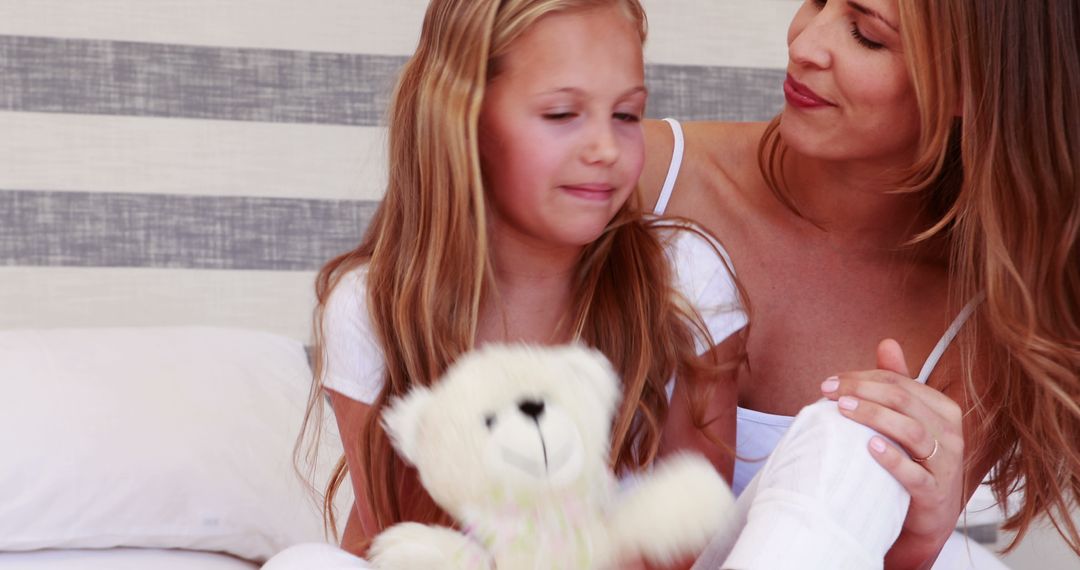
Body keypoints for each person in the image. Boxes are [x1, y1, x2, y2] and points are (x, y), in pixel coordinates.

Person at [289, 0, 747, 567]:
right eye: (562, 114)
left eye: (627, 115)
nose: (606, 149)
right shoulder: (371, 308)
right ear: (465, 119)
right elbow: (406, 544)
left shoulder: (685, 275)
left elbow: (695, 537)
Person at [639, 0, 1080, 567]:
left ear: (967, 87)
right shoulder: (639, 177)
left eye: (866, 35)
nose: (803, 46)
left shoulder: (986, 320)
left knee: (862, 439)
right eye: (818, 1)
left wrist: (921, 539)